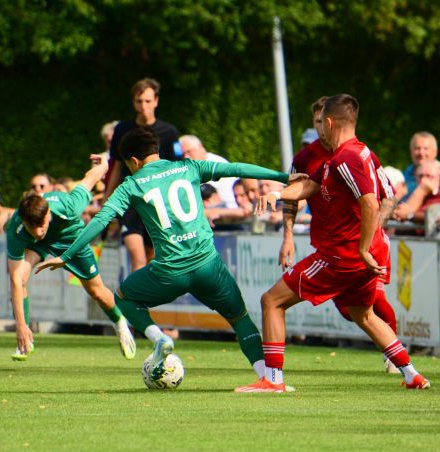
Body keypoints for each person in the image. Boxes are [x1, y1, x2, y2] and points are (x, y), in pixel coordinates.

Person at [36, 126, 307, 384]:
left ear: (133, 160)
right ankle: (266, 378)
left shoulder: (131, 184)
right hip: (208, 267)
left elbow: (102, 218)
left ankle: (158, 338)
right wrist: (285, 178)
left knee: (122, 297)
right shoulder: (188, 167)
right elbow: (235, 168)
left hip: (169, 272)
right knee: (240, 319)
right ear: (156, 150)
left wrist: (67, 255)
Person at [236, 94, 430, 393]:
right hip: (363, 252)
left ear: (328, 122)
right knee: (363, 315)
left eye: (320, 126)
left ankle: (273, 380)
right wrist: (278, 195)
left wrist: (363, 247)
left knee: (271, 301)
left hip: (343, 254)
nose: (319, 133)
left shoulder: (345, 159)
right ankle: (411, 374)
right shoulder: (359, 152)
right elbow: (312, 184)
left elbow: (369, 202)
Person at [278, 95, 400, 374]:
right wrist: (287, 237)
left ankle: (396, 360)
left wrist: (371, 233)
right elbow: (293, 197)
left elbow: (386, 196)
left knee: (372, 303)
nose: (321, 127)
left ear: (332, 122)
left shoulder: (354, 154)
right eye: (316, 122)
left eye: (324, 121)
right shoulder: (305, 158)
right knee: (352, 311)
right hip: (329, 246)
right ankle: (410, 370)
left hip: (362, 246)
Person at [6, 157, 139, 361]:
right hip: (36, 247)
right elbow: (15, 280)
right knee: (19, 278)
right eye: (32, 228)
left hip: (70, 238)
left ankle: (120, 321)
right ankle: (25, 340)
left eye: (41, 225)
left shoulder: (68, 205)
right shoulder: (17, 228)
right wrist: (20, 327)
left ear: (49, 213)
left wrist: (101, 165)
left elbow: (89, 180)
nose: (38, 231)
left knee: (96, 290)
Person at [104, 78, 181, 272]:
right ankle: (136, 302)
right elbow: (116, 166)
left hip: (156, 202)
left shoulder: (170, 133)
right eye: (139, 101)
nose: (143, 106)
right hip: (130, 200)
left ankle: (144, 302)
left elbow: (177, 171)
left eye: (147, 101)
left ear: (156, 101)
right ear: (133, 102)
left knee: (151, 258)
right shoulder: (122, 129)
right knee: (137, 258)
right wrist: (107, 200)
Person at [180, 134, 238, 208]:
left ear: (200, 146)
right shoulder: (194, 169)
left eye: (188, 152)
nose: (186, 157)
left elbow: (228, 200)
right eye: (183, 155)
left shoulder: (216, 166)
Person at [403, 131, 439, 196]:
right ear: (411, 152)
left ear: (435, 152)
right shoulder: (404, 175)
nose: (421, 153)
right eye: (417, 148)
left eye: (426, 148)